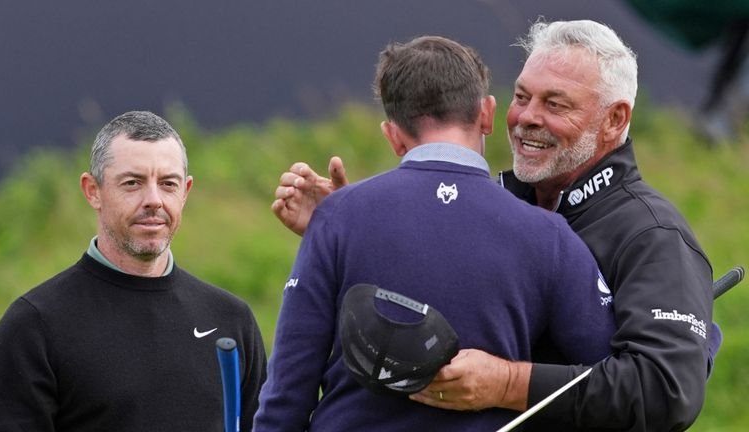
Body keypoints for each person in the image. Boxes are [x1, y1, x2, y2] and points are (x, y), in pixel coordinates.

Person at [271, 20, 717, 431]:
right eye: (522, 97)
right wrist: (352, 228)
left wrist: (508, 383)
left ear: (614, 119)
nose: (526, 118)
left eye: (554, 104)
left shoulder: (653, 235)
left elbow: (666, 393)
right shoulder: (508, 202)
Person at [0, 111, 267, 432]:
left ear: (185, 192)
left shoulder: (230, 320)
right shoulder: (33, 327)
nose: (154, 200)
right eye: (133, 183)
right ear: (93, 191)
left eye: (168, 184)